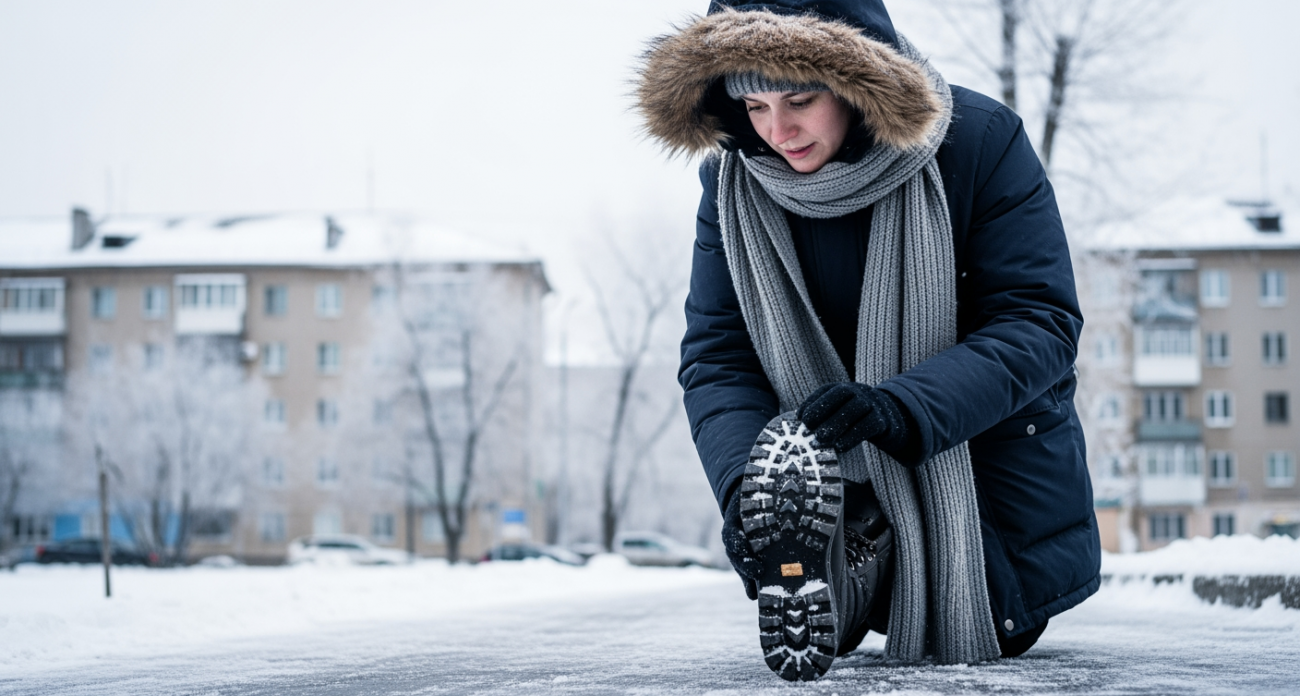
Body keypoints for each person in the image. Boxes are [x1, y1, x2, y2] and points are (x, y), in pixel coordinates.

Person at [634, 0, 1101, 682]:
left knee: (1004, 628)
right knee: (814, 560)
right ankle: (835, 549)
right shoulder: (732, 185)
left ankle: (869, 557)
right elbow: (718, 355)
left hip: (986, 501)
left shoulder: (979, 141)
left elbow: (1038, 322)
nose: (778, 130)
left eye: (799, 98)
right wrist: (748, 490)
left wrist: (901, 409)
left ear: (857, 79)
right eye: (753, 106)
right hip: (832, 477)